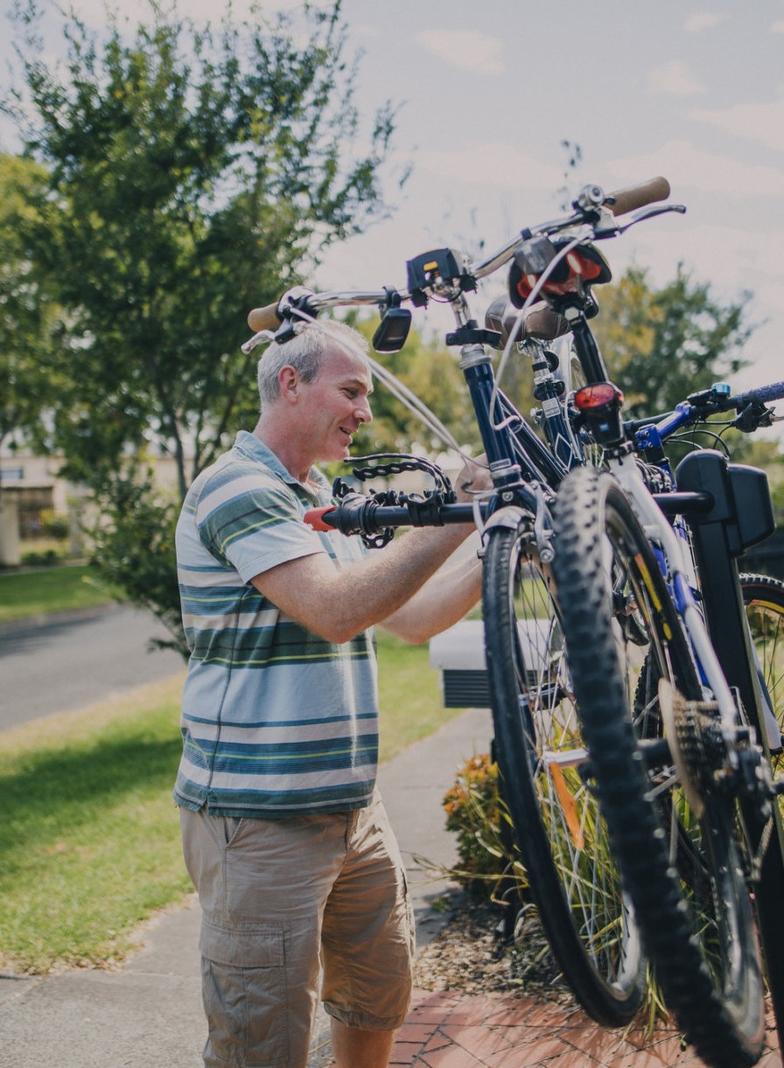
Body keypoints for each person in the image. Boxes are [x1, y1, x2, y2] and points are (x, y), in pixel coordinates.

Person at [173, 317, 483, 1067]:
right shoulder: (237, 490)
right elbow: (338, 610)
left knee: (376, 998)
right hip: (261, 820)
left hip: (353, 811)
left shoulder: (319, 496)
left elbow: (405, 618)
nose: (364, 412)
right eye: (351, 390)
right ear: (290, 383)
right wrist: (455, 509)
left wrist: (501, 548)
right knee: (263, 1041)